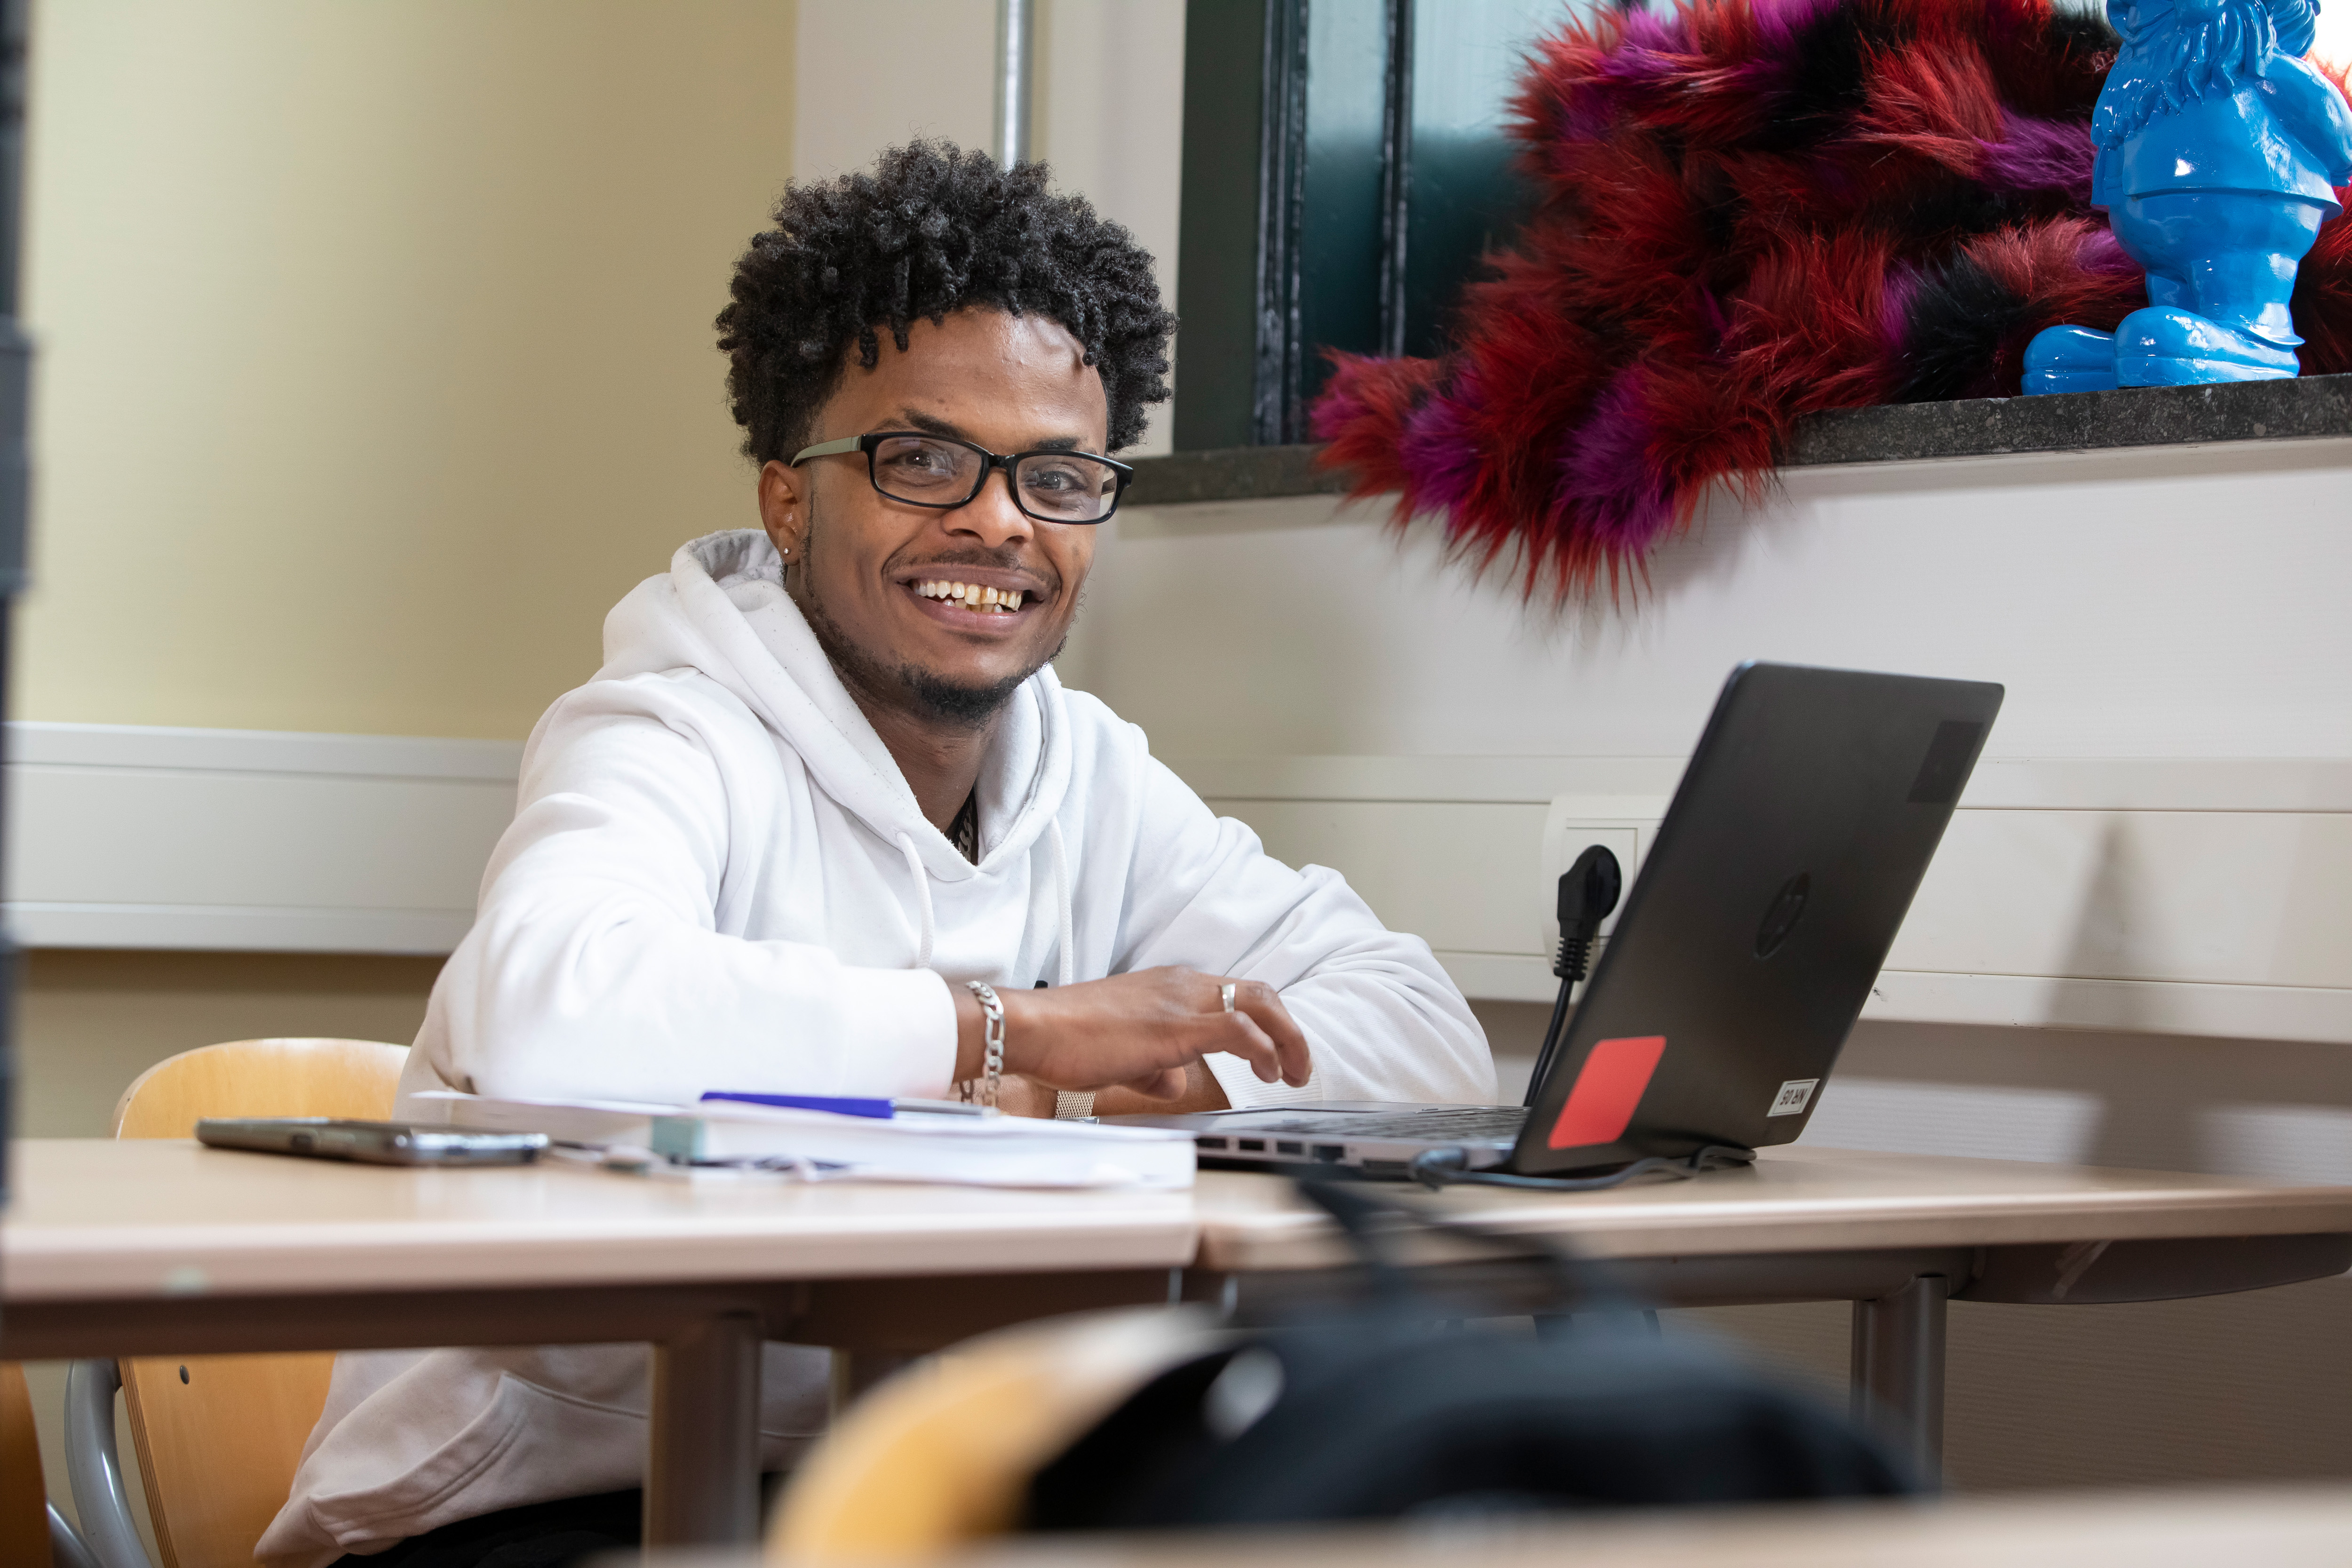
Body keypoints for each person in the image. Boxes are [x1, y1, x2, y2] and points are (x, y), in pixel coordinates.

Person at [259, 142, 1492, 1568]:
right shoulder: (665, 725)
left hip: (908, 1494)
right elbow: (548, 1006)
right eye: (921, 460)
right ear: (790, 500)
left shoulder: (1090, 769)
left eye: (1059, 474)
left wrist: (1168, 1082)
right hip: (529, 1507)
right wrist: (1011, 1035)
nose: (998, 521)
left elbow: (1426, 1032)